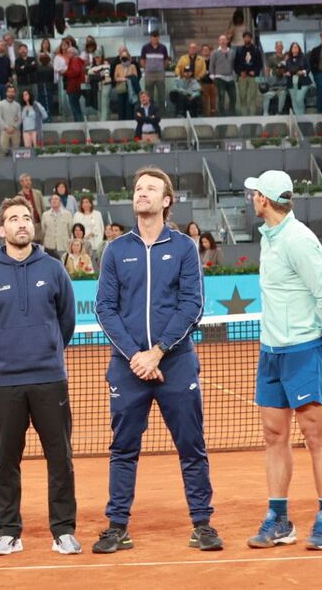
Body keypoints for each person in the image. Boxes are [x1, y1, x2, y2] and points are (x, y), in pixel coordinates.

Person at [93, 168, 221, 554]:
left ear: (166, 201)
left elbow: (192, 305)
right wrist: (136, 355)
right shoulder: (116, 250)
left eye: (151, 188)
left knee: (191, 446)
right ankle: (117, 526)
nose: (142, 193)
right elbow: (104, 307)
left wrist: (159, 351)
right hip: (128, 366)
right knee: (123, 449)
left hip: (176, 362)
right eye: (137, 188)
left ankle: (202, 524)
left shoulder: (183, 247)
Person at [0, 196, 79, 556]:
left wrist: (46, 351)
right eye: (13, 219)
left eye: (26, 218)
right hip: (5, 383)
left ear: (34, 226)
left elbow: (67, 321)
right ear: (1, 230)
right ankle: (9, 532)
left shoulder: (54, 269)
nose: (21, 224)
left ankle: (62, 531)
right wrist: (2, 353)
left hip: (50, 379)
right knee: (6, 461)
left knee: (60, 458)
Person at [241, 170, 322, 551]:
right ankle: (279, 519)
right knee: (274, 436)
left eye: (255, 194)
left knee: (315, 436)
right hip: (271, 352)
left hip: (303, 350)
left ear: (264, 200)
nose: (252, 198)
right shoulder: (269, 237)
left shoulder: (299, 240)